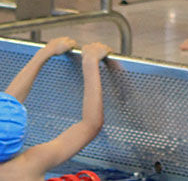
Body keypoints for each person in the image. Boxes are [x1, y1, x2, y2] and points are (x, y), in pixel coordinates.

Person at [0, 37, 111, 181]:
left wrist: (44, 53)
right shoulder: (30, 164)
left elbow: (8, 108)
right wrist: (90, 62)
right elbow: (90, 124)